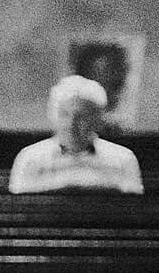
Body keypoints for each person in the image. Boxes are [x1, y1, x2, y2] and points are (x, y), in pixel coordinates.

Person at [8, 75, 144, 194]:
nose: (71, 124)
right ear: (54, 116)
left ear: (97, 120)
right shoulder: (30, 158)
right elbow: (18, 208)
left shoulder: (123, 159)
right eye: (64, 114)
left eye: (81, 117)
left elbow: (133, 208)